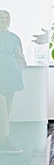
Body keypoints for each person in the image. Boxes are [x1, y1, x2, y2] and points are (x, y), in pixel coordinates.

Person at [0, 10, 26, 154]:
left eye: (6, 18)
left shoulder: (14, 37)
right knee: (1, 104)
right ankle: (4, 140)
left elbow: (20, 56)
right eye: (1, 18)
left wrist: (18, 65)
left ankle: (3, 138)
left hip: (11, 75)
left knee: (6, 111)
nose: (4, 20)